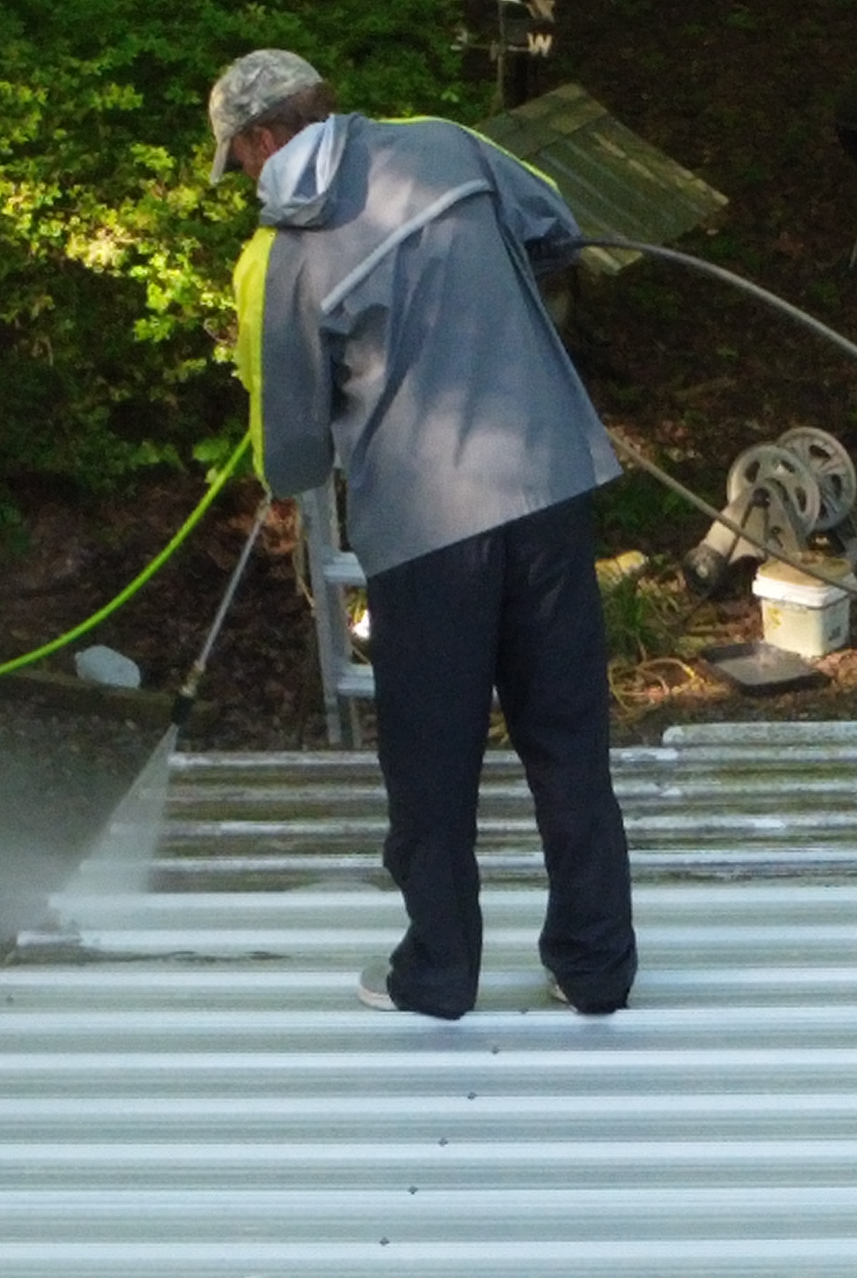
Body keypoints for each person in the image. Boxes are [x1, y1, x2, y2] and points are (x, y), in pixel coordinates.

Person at [212, 48, 636, 1019]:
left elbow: (292, 453)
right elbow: (556, 231)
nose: (243, 179)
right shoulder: (447, 147)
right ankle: (597, 971)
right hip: (546, 478)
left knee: (431, 761)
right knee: (566, 741)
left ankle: (439, 977)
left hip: (428, 531)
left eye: (237, 161)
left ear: (262, 140)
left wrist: (296, 457)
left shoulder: (279, 257)